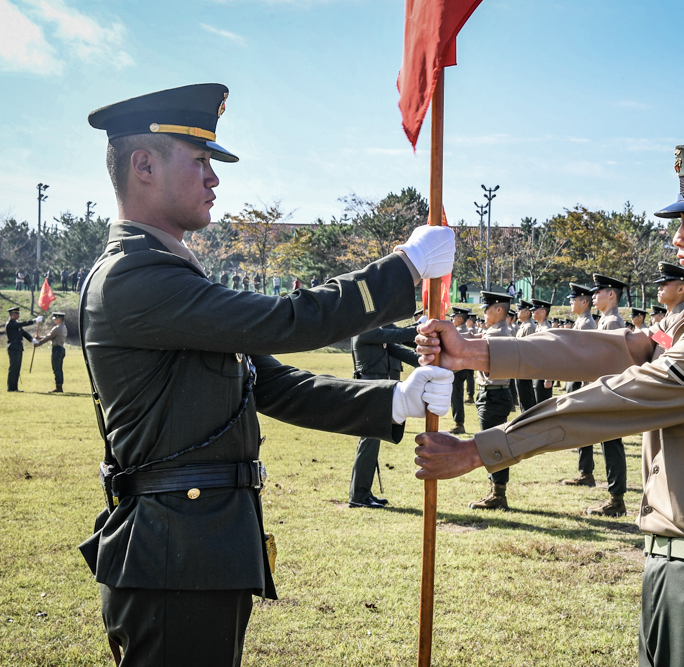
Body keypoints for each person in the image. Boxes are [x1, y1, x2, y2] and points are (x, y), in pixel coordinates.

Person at [80, 83, 455, 666]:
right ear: (144, 164)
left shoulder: (168, 274)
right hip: (172, 555)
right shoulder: (135, 277)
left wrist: (392, 402)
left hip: (199, 548)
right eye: (200, 159)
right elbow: (286, 320)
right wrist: (401, 269)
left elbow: (273, 384)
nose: (214, 177)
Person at [414, 144, 684, 667]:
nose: (677, 237)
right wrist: (477, 350)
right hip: (679, 571)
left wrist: (481, 449)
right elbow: (612, 349)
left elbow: (611, 401)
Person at [348, 322, 426, 508]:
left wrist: (427, 360)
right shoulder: (364, 329)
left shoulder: (378, 334)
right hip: (369, 389)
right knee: (369, 442)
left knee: (372, 443)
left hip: (378, 391)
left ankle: (363, 492)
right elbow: (395, 334)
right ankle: (359, 496)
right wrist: (420, 329)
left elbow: (403, 353)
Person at [583, 274, 629, 517]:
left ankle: (616, 499)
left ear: (611, 294)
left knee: (612, 446)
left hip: (611, 391)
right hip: (610, 391)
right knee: (610, 445)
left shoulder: (611, 322)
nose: (593, 296)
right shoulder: (606, 321)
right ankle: (615, 496)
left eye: (598, 291)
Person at [468, 291, 515, 510]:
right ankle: (496, 491)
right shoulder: (494, 332)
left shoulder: (498, 335)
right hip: (492, 393)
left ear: (499, 310)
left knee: (494, 446)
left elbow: (491, 369)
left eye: (487, 308)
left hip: (494, 393)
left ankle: (498, 494)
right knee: (492, 444)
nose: (484, 312)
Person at [561, 283, 598, 488]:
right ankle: (584, 471)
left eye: (574, 300)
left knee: (584, 429)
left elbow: (584, 359)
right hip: (577, 381)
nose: (571, 303)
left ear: (584, 302)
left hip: (582, 383)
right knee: (580, 428)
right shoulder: (581, 322)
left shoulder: (586, 324)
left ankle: (586, 472)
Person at [448, 306, 473, 434]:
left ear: (460, 318)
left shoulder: (458, 333)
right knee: (457, 395)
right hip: (464, 368)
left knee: (456, 396)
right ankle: (459, 422)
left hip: (456, 369)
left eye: (454, 317)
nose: (452, 319)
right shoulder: (466, 331)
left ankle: (459, 423)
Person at [5, 306, 40, 392]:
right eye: (16, 313)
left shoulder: (16, 323)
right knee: (13, 368)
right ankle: (10, 388)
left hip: (19, 348)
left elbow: (24, 333)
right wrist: (34, 321)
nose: (18, 315)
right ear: (12, 314)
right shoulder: (10, 324)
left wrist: (32, 339)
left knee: (17, 368)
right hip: (13, 348)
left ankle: (15, 388)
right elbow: (22, 324)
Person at [34, 312, 68, 393]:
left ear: (59, 319)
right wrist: (40, 338)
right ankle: (60, 386)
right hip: (61, 349)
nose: (54, 321)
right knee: (59, 369)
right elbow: (52, 337)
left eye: (55, 319)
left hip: (56, 349)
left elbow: (49, 337)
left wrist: (39, 343)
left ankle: (58, 387)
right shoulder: (64, 327)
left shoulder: (57, 328)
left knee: (56, 369)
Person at [513, 300, 537, 413]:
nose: (517, 312)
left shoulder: (529, 327)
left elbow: (530, 350)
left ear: (527, 312)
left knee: (527, 398)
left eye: (520, 310)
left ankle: (528, 421)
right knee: (522, 397)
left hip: (525, 368)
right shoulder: (524, 326)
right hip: (520, 367)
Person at [529, 299, 554, 404]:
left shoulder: (547, 329)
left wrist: (548, 378)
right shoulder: (539, 327)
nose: (532, 312)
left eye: (535, 310)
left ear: (543, 312)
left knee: (543, 404)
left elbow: (550, 355)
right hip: (537, 371)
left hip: (544, 374)